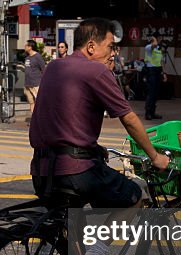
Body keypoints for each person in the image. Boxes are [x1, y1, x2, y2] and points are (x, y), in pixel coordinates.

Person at [29, 18, 169, 210]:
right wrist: (155, 157)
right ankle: (100, 241)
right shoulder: (96, 71)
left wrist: (93, 148)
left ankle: (79, 240)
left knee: (68, 231)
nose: (113, 54)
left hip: (41, 171)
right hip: (76, 172)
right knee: (134, 196)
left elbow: (64, 119)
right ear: (92, 46)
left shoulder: (54, 67)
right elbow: (128, 118)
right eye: (110, 47)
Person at [144, 35, 165, 120]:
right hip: (151, 71)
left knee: (156, 93)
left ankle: (153, 112)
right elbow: (154, 45)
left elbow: (161, 61)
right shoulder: (149, 47)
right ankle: (148, 113)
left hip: (158, 71)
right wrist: (154, 40)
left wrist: (164, 73)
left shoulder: (159, 49)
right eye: (158, 39)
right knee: (151, 93)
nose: (160, 40)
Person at [22, 39, 45, 115]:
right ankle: (33, 119)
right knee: (31, 102)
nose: (24, 47)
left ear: (30, 47)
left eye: (26, 45)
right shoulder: (27, 58)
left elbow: (43, 69)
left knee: (40, 102)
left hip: (36, 83)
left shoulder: (38, 56)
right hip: (28, 84)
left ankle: (41, 119)